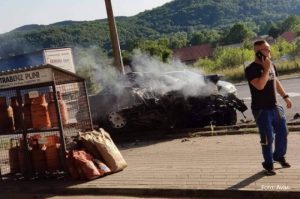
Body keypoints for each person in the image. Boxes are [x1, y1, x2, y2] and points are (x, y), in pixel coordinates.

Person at [245, 40, 292, 175]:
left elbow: (275, 81)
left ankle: (278, 155)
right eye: (266, 50)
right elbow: (260, 85)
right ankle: (268, 164)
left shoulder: (271, 65)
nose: (269, 52)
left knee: (283, 132)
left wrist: (285, 96)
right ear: (258, 52)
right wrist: (266, 69)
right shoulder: (251, 69)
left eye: (269, 49)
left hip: (275, 106)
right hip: (261, 109)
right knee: (267, 137)